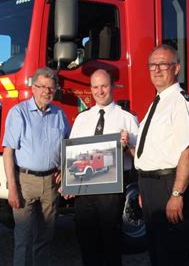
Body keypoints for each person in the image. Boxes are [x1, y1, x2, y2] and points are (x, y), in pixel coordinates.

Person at [134, 45, 189, 266]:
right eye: (152, 65)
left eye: (163, 64)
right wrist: (145, 187)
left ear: (177, 68)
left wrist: (176, 194)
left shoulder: (182, 103)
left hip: (169, 184)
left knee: (174, 255)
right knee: (157, 252)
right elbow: (154, 150)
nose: (156, 69)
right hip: (152, 187)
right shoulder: (157, 103)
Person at [69, 69, 139, 266]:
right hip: (84, 190)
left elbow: (140, 157)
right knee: (86, 242)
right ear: (91, 89)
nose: (100, 91)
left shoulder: (127, 118)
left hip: (112, 192)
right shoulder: (82, 119)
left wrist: (127, 147)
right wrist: (67, 182)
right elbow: (72, 154)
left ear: (113, 86)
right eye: (95, 87)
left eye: (104, 86)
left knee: (111, 242)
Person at [2, 67, 71, 266]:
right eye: (42, 87)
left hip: (51, 183)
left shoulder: (59, 114)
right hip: (25, 183)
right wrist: (12, 189)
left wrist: (64, 168)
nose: (47, 91)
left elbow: (70, 145)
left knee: (45, 237)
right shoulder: (18, 113)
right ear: (33, 88)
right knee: (23, 239)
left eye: (51, 88)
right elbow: (8, 153)